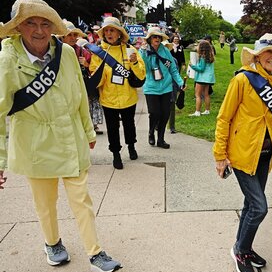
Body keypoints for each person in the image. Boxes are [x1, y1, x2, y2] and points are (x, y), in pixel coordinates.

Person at [0, 0, 121, 272]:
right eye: (30, 23)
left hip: (70, 135)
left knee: (82, 198)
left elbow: (79, 95)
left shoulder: (65, 53)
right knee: (45, 201)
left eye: (44, 23)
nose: (39, 30)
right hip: (34, 140)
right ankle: (52, 243)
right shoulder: (7, 59)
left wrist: (88, 130)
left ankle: (95, 252)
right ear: (18, 27)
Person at [213, 33, 272, 272]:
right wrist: (220, 154)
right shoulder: (242, 81)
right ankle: (240, 250)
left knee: (250, 204)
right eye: (269, 52)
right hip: (241, 155)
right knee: (260, 207)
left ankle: (245, 247)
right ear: (258, 55)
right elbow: (224, 118)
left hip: (264, 156)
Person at [89, 16, 146, 170]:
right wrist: (101, 69)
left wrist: (133, 63)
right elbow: (96, 81)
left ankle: (131, 146)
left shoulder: (130, 50)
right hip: (109, 99)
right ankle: (116, 154)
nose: (109, 33)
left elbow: (141, 76)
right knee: (112, 128)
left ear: (119, 33)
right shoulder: (98, 52)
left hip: (128, 97)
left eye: (112, 30)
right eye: (106, 30)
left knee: (129, 125)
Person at [139, 27, 185, 149]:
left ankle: (160, 139)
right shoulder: (144, 51)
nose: (157, 38)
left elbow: (173, 69)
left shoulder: (165, 51)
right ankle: (151, 133)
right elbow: (144, 68)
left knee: (165, 114)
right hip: (151, 87)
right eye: (154, 36)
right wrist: (144, 52)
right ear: (149, 39)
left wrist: (180, 83)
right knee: (154, 112)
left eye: (159, 37)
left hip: (166, 87)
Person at [60, 20, 104, 135]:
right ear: (62, 37)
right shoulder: (56, 52)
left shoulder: (83, 52)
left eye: (75, 35)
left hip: (81, 89)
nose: (73, 37)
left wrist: (87, 65)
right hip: (62, 90)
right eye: (69, 35)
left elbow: (94, 71)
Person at [189, 40, 215, 116]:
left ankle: (197, 111)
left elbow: (201, 69)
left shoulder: (202, 57)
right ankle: (207, 110)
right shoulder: (210, 56)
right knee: (206, 94)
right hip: (208, 79)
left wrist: (192, 66)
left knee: (198, 95)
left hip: (201, 78)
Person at [168, 34, 186, 133]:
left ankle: (172, 127)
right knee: (161, 109)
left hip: (172, 86)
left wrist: (180, 84)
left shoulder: (174, 60)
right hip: (161, 88)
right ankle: (157, 125)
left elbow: (175, 74)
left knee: (172, 107)